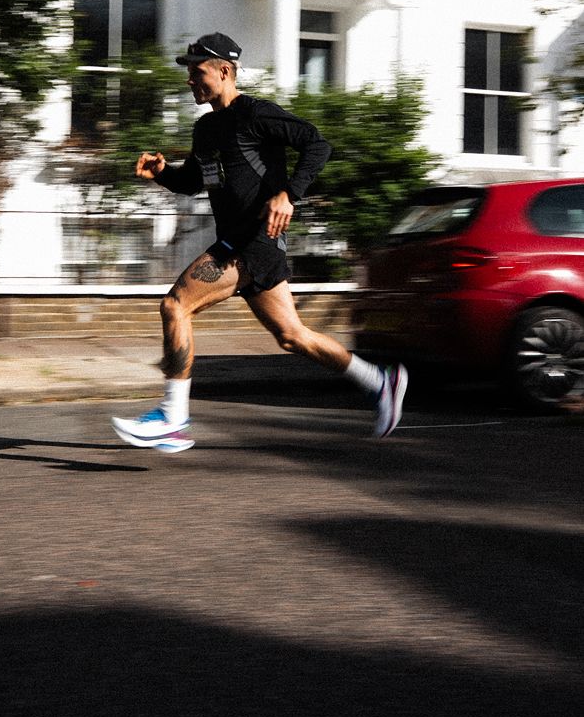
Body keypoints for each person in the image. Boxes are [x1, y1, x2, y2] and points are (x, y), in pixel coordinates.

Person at [111, 32, 407, 451]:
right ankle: (380, 382)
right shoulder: (207, 129)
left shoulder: (256, 114)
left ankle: (173, 419)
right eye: (189, 74)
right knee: (292, 336)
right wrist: (163, 172)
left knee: (176, 304)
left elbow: (317, 145)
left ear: (225, 71)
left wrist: (289, 194)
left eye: (198, 73)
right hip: (242, 242)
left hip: (253, 241)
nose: (190, 81)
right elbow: (195, 182)